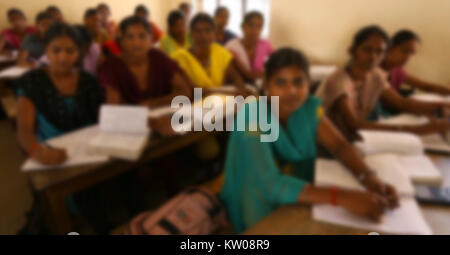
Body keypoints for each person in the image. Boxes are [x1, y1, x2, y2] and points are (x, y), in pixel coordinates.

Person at [220, 48, 398, 233]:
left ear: (309, 83)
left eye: (299, 82)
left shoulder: (310, 109)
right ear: (266, 84)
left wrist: (369, 177)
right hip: (254, 198)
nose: (291, 91)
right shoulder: (251, 117)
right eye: (280, 82)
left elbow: (340, 146)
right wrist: (343, 197)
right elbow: (268, 183)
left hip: (297, 194)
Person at [315, 25, 450, 142]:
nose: (373, 56)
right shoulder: (338, 81)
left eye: (379, 51)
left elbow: (400, 103)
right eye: (367, 49)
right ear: (352, 51)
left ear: (385, 55)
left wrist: (440, 107)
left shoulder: (376, 76)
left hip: (354, 137)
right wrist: (417, 130)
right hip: (326, 140)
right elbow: (354, 124)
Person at [16, 23, 102, 166]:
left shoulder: (89, 81)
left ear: (79, 52)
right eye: (56, 50)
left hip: (89, 151)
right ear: (46, 51)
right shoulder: (31, 82)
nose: (63, 58)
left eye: (70, 51)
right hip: (50, 149)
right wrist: (38, 152)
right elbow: (24, 131)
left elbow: (100, 119)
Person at [99, 16, 191, 111]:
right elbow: (114, 109)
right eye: (130, 37)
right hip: (128, 122)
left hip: (163, 118)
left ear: (150, 39)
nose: (136, 43)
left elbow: (185, 92)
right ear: (121, 41)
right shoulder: (112, 66)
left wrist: (153, 103)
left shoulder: (158, 58)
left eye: (142, 36)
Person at [171, 13, 247, 93]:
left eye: (208, 30)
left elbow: (236, 78)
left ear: (214, 34)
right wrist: (230, 93)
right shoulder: (180, 57)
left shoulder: (219, 52)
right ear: (191, 35)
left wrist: (241, 91)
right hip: (192, 102)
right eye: (198, 31)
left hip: (220, 101)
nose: (203, 36)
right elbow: (193, 91)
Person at [381, 30, 450, 95]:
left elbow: (427, 86)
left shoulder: (398, 72)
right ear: (391, 48)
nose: (408, 57)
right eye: (404, 50)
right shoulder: (376, 69)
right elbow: (400, 103)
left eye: (412, 53)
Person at [225, 11, 273, 82]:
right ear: (243, 27)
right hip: (235, 86)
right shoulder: (231, 46)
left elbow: (277, 62)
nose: (255, 30)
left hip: (258, 86)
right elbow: (248, 75)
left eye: (259, 26)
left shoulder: (265, 45)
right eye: (251, 25)